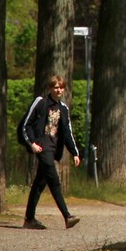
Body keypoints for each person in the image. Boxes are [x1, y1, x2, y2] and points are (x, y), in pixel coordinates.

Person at [22, 75, 82, 230]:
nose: (59, 90)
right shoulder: (40, 102)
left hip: (53, 149)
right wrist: (32, 144)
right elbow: (25, 125)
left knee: (39, 185)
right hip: (42, 147)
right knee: (54, 180)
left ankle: (29, 219)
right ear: (50, 88)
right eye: (56, 87)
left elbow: (67, 132)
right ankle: (67, 216)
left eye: (61, 87)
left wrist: (74, 153)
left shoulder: (63, 108)